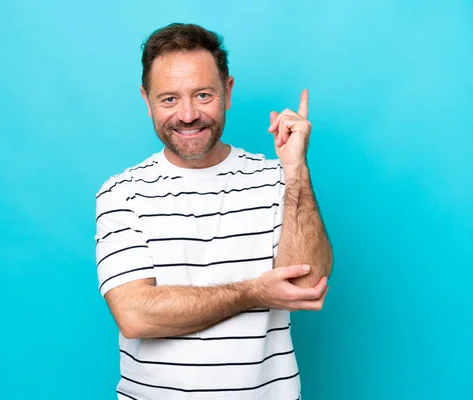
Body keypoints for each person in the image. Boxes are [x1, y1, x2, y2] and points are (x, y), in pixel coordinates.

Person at [95, 22, 333, 400]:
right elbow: (136, 316)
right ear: (146, 100)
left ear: (228, 91)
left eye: (203, 95)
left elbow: (306, 287)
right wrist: (254, 292)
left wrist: (295, 169)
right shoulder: (122, 193)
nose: (188, 115)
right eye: (169, 99)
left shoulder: (278, 181)